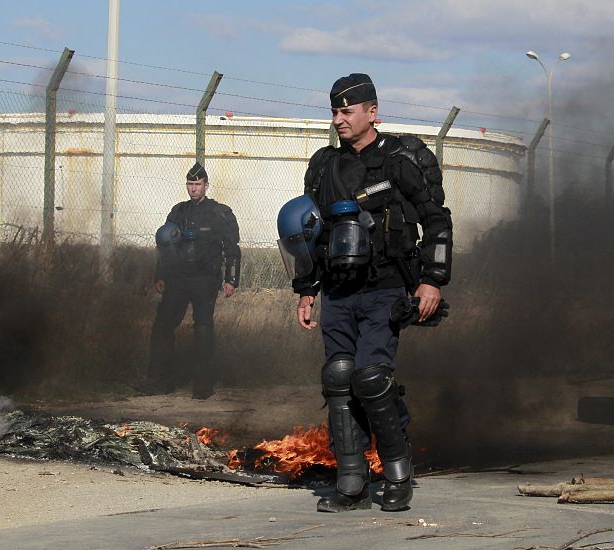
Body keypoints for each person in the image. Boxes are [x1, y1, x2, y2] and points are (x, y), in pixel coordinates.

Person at [277, 73, 453, 512]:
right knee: (338, 378)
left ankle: (397, 474)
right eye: (334, 111)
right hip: (338, 291)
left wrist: (432, 279)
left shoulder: (402, 157)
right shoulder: (323, 166)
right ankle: (351, 482)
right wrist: (306, 290)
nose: (338, 119)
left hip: (386, 287)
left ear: (372, 112)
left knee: (371, 377)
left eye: (347, 111)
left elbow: (436, 220)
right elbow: (309, 234)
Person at [147, 162, 241, 400]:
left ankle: (202, 386)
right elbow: (165, 247)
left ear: (206, 186)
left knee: (202, 329)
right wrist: (160, 275)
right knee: (162, 326)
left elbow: (232, 249)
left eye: (198, 184)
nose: (193, 189)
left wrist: (231, 280)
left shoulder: (220, 213)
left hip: (205, 279)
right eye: (190, 184)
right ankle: (159, 382)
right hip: (177, 278)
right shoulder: (178, 212)